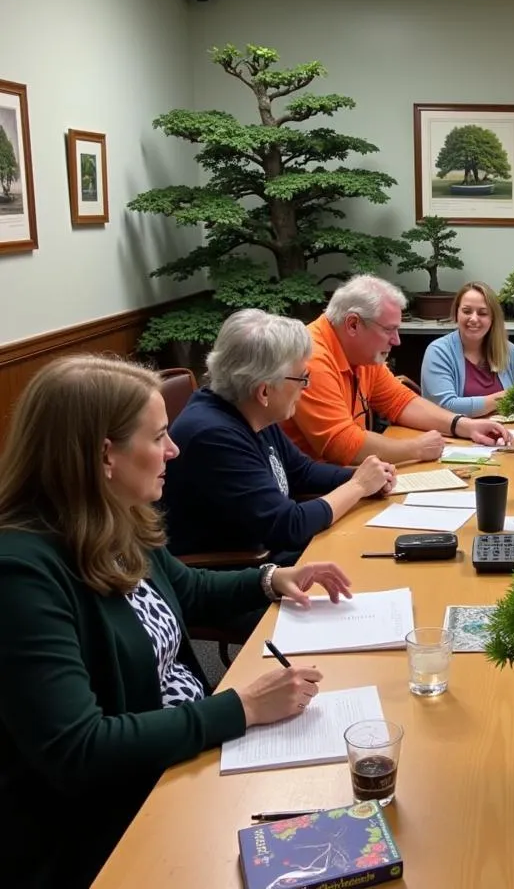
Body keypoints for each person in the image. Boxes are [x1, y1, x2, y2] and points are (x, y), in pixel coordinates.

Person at [0, 355, 355, 889]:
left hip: (190, 748)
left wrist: (272, 578)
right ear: (105, 456)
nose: (174, 450)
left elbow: (185, 589)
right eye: (160, 436)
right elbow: (80, 750)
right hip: (119, 816)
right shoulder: (21, 575)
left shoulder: (113, 516)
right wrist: (243, 708)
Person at [163, 309, 396, 567]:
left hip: (276, 564)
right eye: (302, 379)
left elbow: (301, 472)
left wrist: (365, 476)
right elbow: (288, 525)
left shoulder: (248, 408)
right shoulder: (212, 436)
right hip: (242, 582)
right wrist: (359, 486)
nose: (305, 388)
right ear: (264, 390)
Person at [283, 275, 510, 466]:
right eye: (389, 330)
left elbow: (400, 401)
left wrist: (465, 426)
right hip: (310, 494)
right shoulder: (311, 357)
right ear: (353, 324)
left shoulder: (361, 355)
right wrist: (415, 449)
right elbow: (342, 445)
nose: (397, 340)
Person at [420, 281, 514, 416]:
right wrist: (505, 398)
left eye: (482, 313)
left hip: (510, 433)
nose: (474, 319)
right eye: (466, 311)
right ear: (456, 313)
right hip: (454, 435)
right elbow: (446, 406)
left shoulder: (507, 350)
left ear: (493, 318)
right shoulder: (438, 352)